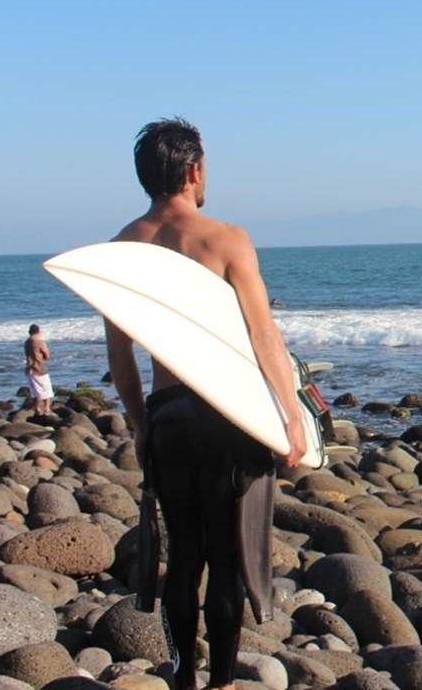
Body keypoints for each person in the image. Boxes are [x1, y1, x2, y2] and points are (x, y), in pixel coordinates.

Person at [103, 118, 308, 690]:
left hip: (168, 415)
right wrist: (291, 418)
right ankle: (220, 683)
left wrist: (142, 423)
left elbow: (120, 356)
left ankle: (183, 681)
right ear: (194, 170)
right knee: (225, 558)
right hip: (225, 418)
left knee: (183, 555)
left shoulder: (121, 248)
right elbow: (264, 335)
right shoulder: (226, 239)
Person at [23, 324, 52, 416]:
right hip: (39, 368)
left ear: (29, 332)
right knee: (46, 389)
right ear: (38, 331)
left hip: (29, 368)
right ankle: (47, 409)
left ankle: (37, 408)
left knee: (35, 391)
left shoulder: (27, 342)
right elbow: (47, 355)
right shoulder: (39, 341)